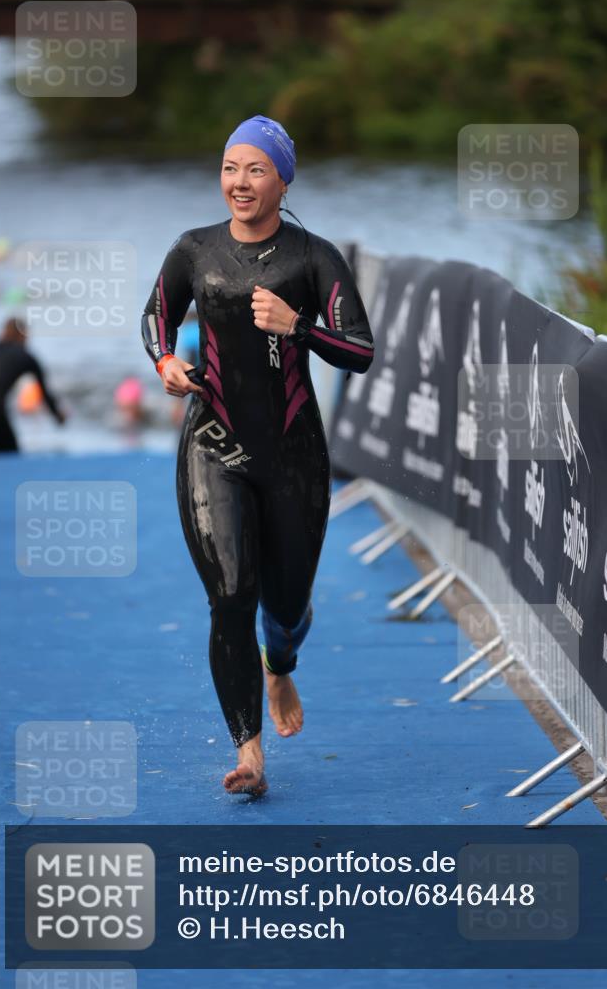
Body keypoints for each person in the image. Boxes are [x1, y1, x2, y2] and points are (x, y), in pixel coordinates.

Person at [141, 114, 375, 797]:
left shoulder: (313, 257)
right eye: (229, 168)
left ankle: (281, 662)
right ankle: (249, 752)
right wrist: (161, 360)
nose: (238, 183)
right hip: (211, 442)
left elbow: (360, 350)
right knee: (229, 594)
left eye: (255, 170)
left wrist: (298, 327)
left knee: (288, 602)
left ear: (282, 179)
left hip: (294, 454)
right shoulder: (193, 249)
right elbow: (157, 313)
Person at [0, 317, 65, 453]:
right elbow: (44, 392)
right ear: (23, 335)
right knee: (10, 455)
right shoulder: (25, 357)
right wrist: (57, 415)